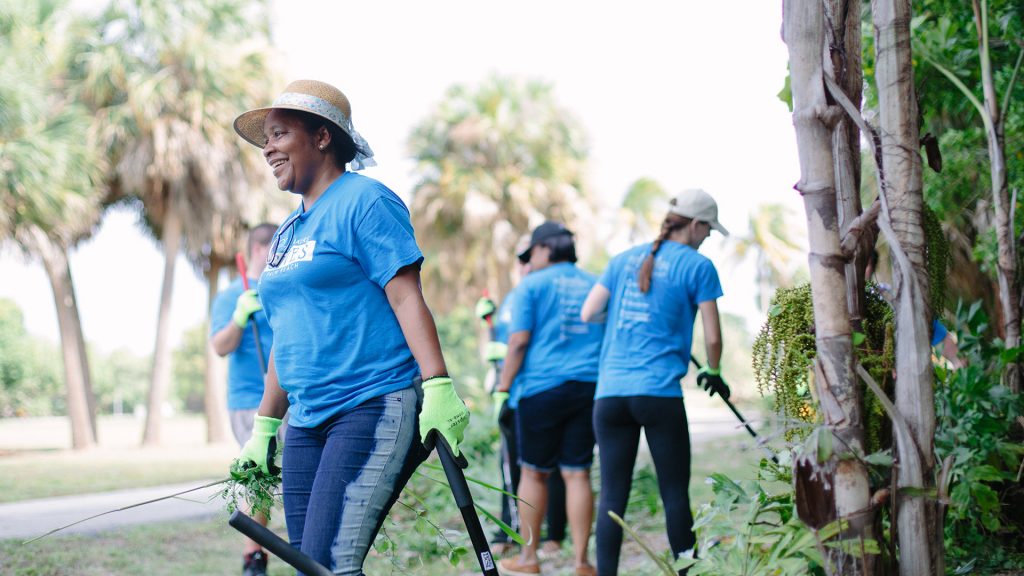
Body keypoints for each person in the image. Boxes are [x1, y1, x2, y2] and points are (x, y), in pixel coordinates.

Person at [230, 79, 470, 575]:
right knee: (310, 565)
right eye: (266, 139)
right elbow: (286, 336)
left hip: (371, 402)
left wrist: (438, 384)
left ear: (322, 137)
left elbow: (406, 296)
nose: (268, 148)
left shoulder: (365, 201)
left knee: (329, 564)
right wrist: (265, 426)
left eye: (280, 134)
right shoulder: (287, 231)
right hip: (306, 419)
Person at [581, 189, 730, 576]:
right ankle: (687, 573)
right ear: (694, 225)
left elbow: (589, 312)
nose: (708, 237)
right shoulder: (699, 267)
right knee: (674, 494)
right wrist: (714, 371)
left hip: (610, 395)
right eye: (708, 230)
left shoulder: (622, 260)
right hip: (658, 394)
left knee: (612, 496)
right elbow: (713, 338)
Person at [496, 221, 604, 576]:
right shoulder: (594, 283)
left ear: (545, 249)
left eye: (532, 253)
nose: (530, 261)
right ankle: (582, 562)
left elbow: (518, 341)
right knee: (577, 473)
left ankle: (529, 559)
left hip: (541, 388)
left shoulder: (531, 285)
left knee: (533, 473)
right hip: (588, 387)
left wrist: (503, 386)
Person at [476, 252, 568, 559]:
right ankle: (510, 531)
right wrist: (488, 327)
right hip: (512, 397)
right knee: (511, 465)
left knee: (549, 466)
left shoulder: (547, 294)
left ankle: (553, 534)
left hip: (537, 392)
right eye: (521, 260)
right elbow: (503, 346)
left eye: (531, 259)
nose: (525, 266)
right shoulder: (512, 300)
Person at [210, 223, 279, 576]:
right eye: (277, 248)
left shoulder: (280, 288)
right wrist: (239, 317)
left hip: (289, 397)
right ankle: (254, 556)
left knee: (294, 473)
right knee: (258, 476)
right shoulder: (230, 296)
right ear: (259, 249)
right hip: (248, 400)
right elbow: (220, 346)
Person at [865, 248, 963, 368]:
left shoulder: (887, 295)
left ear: (872, 267)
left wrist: (958, 363)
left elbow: (935, 331)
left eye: (865, 264)